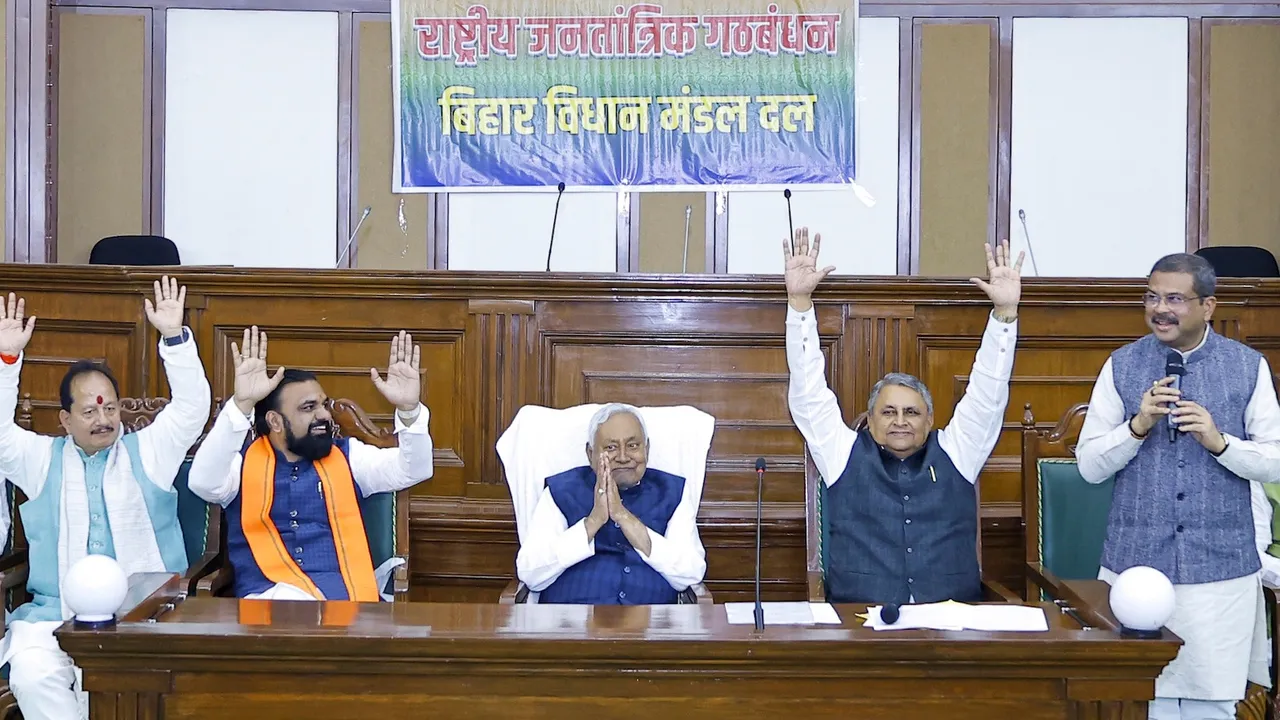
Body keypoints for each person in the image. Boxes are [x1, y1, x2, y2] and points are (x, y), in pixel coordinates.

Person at [1077, 252, 1278, 720]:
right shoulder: (1121, 365)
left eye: (1174, 299)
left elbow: (1275, 460)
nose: (1159, 309)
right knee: (1141, 702)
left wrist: (1220, 442)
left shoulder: (1248, 366)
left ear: (1208, 306)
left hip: (1220, 572)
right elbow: (1089, 466)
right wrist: (1138, 424)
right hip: (1137, 572)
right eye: (1151, 297)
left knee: (1213, 704)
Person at [0, 278, 211, 720]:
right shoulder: (41, 459)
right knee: (35, 673)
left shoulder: (150, 452)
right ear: (64, 419)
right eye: (90, 411)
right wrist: (7, 361)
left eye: (110, 408)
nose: (104, 420)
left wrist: (174, 338)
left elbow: (192, 408)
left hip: (146, 615)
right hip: (55, 614)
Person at [784, 228, 1021, 604]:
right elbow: (808, 390)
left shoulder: (960, 450)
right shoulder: (841, 452)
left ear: (930, 421)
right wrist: (799, 305)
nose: (900, 421)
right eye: (888, 412)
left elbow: (988, 392)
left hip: (952, 623)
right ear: (870, 420)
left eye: (912, 412)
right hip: (862, 625)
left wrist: (1005, 315)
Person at [187, 326, 433, 601]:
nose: (324, 415)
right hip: (265, 613)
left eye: (324, 405)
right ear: (275, 421)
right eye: (308, 408)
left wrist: (410, 411)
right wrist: (242, 405)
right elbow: (203, 482)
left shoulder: (350, 457)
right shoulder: (241, 465)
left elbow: (414, 469)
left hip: (344, 610)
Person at [514, 403, 706, 604]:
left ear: (646, 449)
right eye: (611, 448)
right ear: (590, 454)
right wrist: (593, 521)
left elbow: (691, 572)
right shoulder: (561, 490)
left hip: (651, 626)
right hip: (572, 625)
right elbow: (531, 573)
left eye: (633, 446)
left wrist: (624, 517)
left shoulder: (672, 492)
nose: (623, 457)